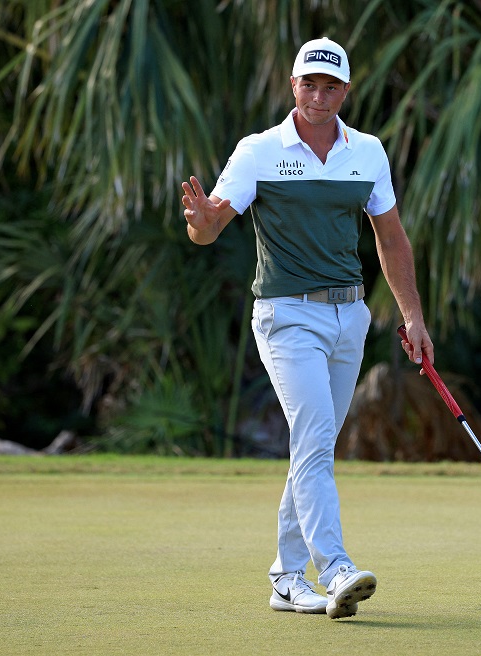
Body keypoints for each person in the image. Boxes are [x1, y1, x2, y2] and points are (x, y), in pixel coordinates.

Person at [180, 37, 434, 619]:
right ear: (293, 86)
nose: (319, 96)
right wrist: (200, 222)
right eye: (309, 84)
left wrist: (413, 316)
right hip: (286, 315)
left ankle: (286, 579)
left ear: (346, 91)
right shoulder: (258, 152)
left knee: (313, 445)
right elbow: (211, 225)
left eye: (330, 86)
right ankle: (335, 567)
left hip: (350, 317)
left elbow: (391, 238)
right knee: (316, 437)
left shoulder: (367, 152)